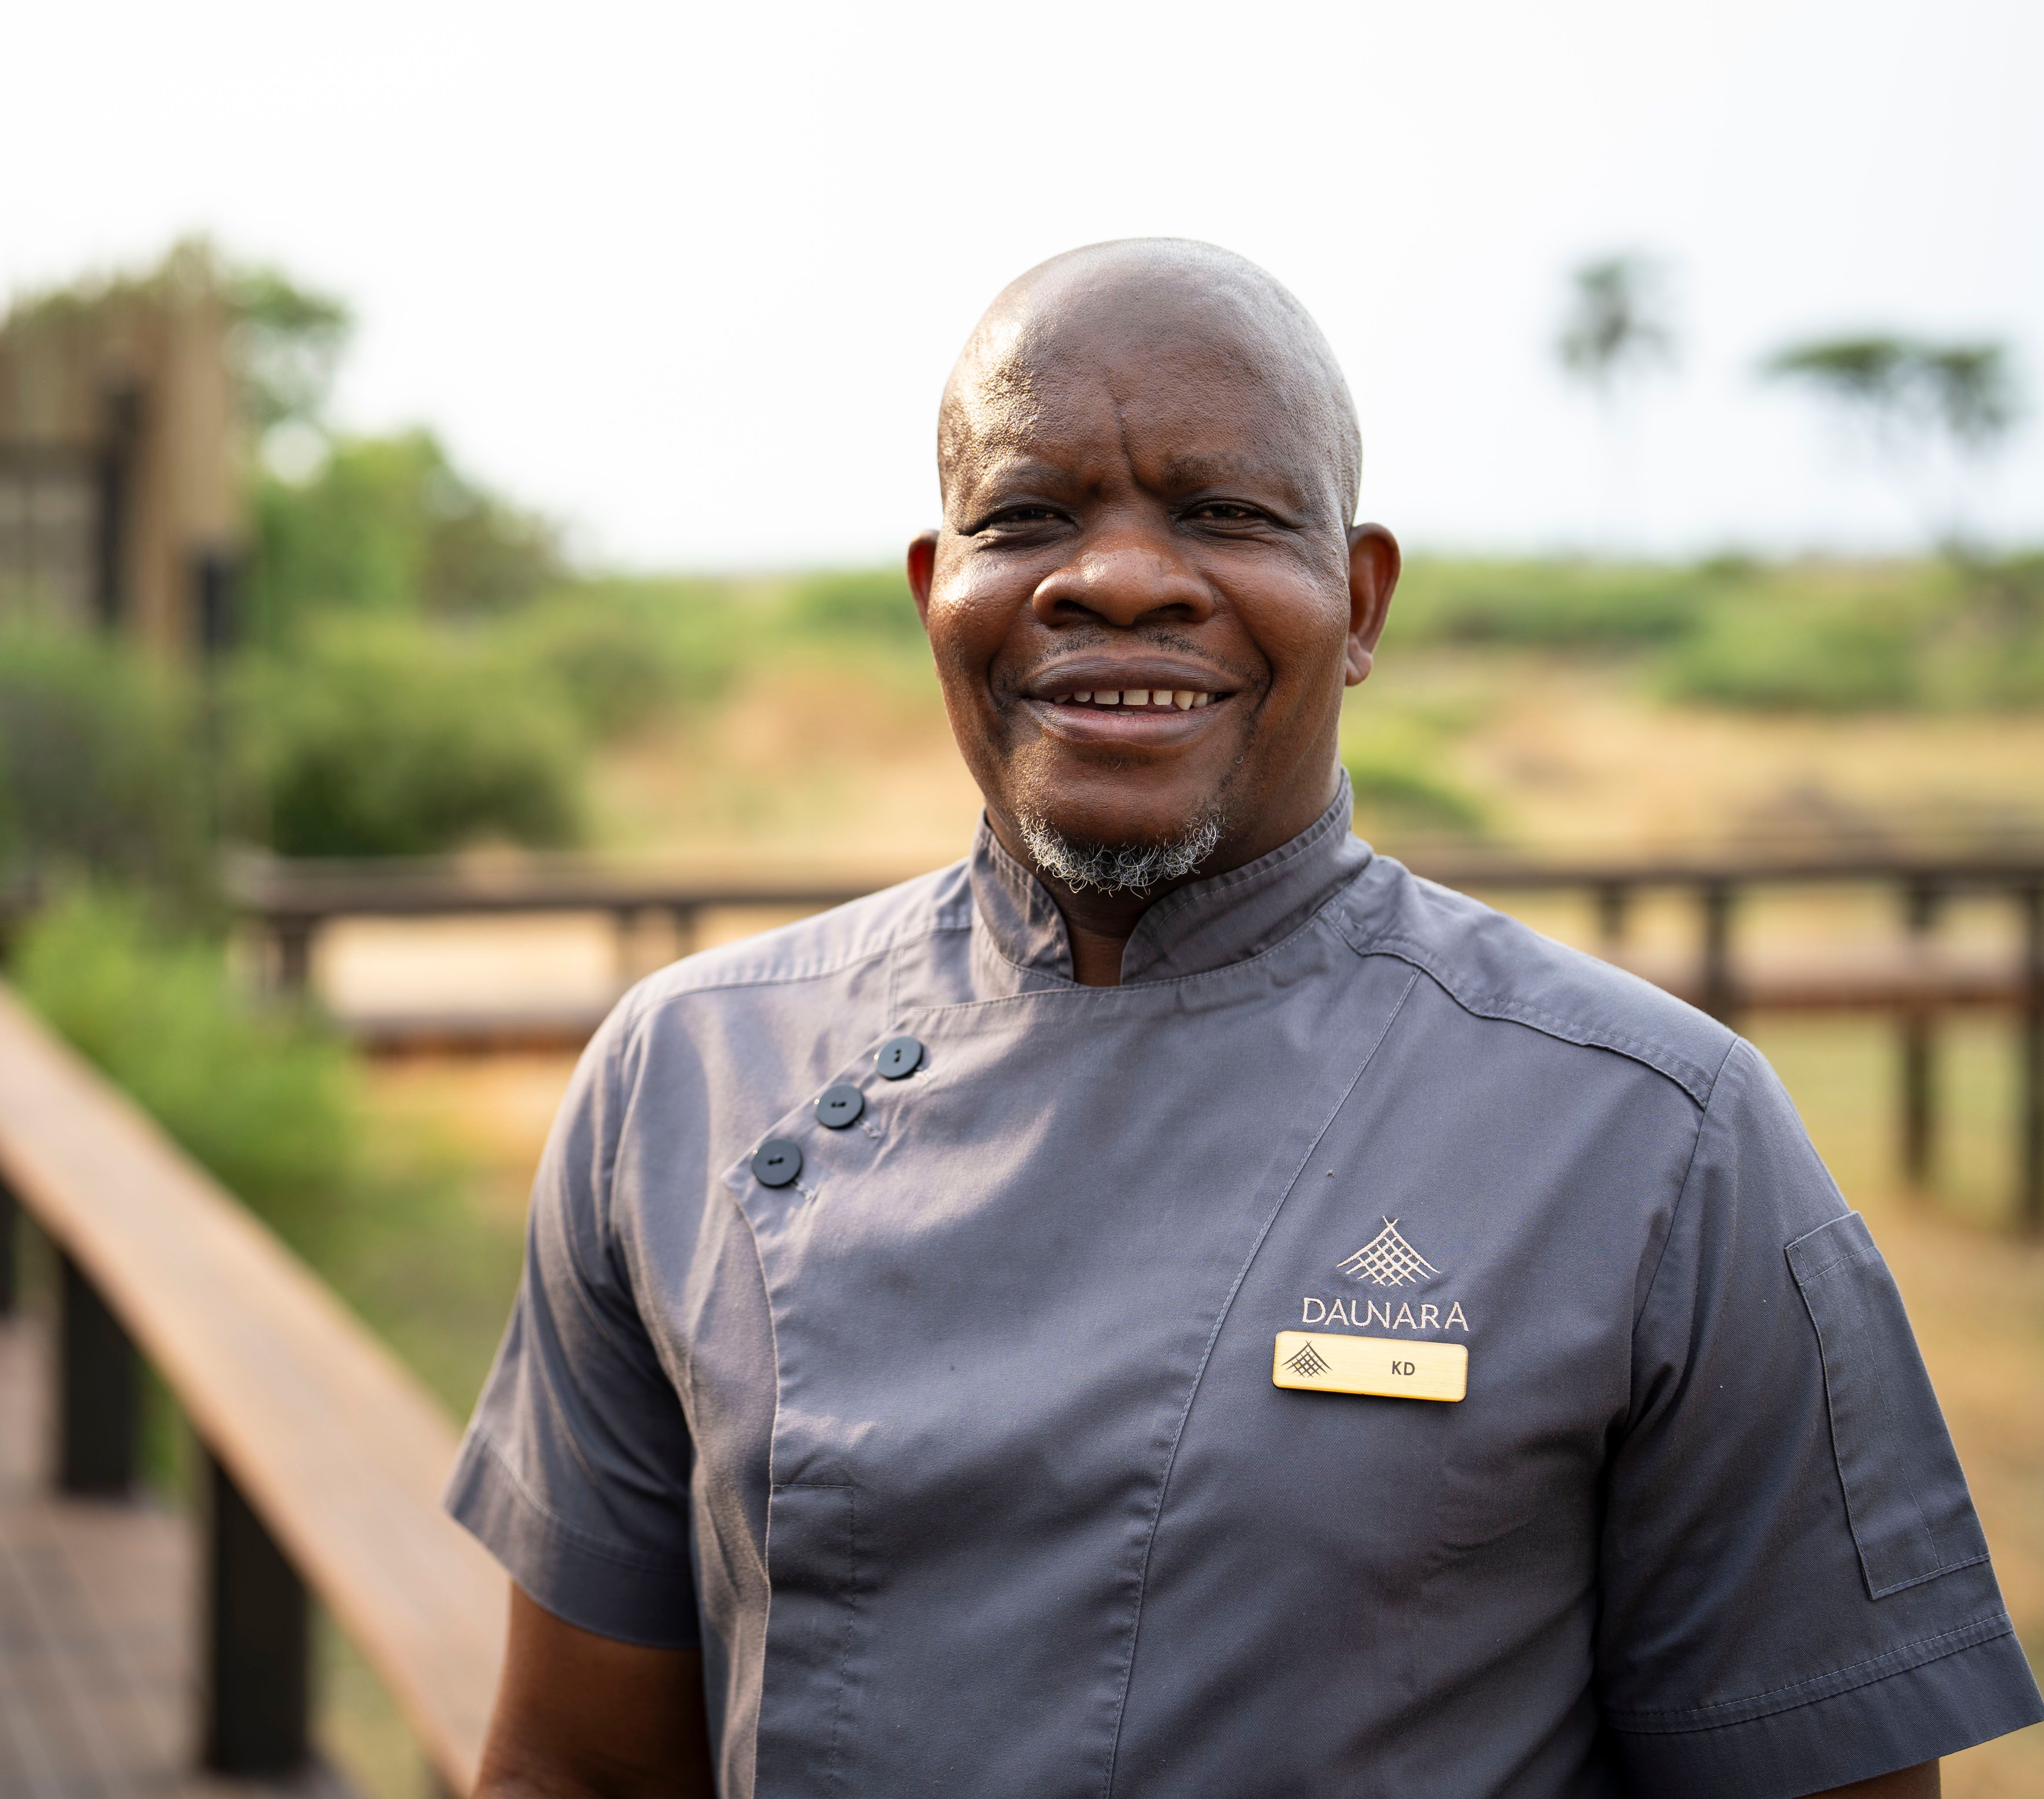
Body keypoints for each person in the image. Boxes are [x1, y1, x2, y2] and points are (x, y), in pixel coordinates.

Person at [443, 239, 2042, 1799]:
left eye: (1222, 512)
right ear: (939, 594)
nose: (1122, 577)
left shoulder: (1652, 1137)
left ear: (1357, 603)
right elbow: (576, 1761)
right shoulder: (686, 1079)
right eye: (1027, 515)